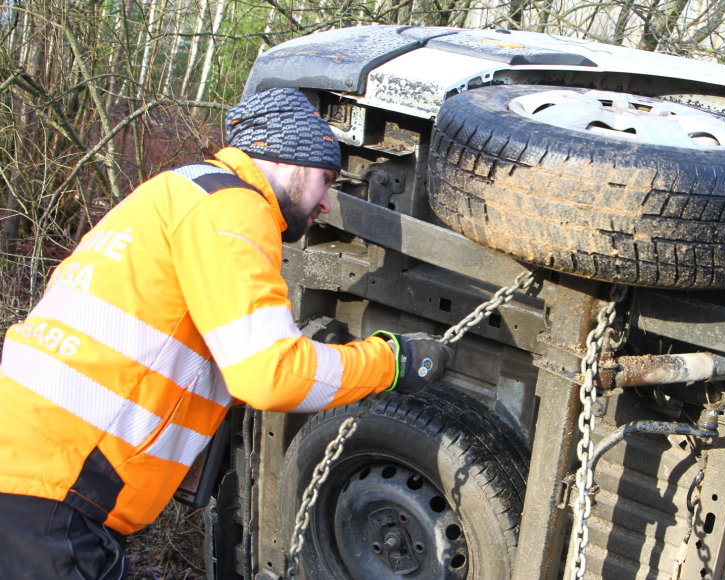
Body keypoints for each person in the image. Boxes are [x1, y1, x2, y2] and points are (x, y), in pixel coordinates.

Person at [0, 88, 452, 578]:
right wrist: (392, 362)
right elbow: (271, 377)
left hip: (30, 467)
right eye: (326, 178)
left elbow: (170, 354)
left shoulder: (178, 192)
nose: (326, 201)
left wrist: (307, 363)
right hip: (54, 493)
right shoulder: (235, 207)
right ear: (288, 160)